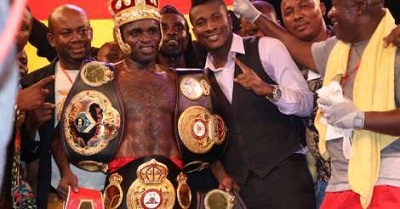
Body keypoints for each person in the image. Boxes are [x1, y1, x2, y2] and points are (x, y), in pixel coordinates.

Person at [234, 0, 400, 208]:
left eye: (337, 6)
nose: (332, 12)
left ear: (359, 7)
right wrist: (255, 16)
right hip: (337, 182)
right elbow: (296, 46)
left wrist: (360, 118)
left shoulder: (395, 46)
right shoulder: (336, 50)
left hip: (386, 179)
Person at [189, 0, 315, 208]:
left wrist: (269, 90)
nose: (210, 27)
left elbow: (306, 104)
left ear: (230, 20)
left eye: (216, 17)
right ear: (195, 31)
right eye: (202, 22)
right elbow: (205, 142)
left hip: (286, 179)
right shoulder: (201, 80)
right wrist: (221, 173)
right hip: (242, 190)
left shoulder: (266, 48)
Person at [20, 5, 106, 209]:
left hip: (109, 190)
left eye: (82, 30)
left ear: (91, 33)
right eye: (66, 33)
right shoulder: (34, 83)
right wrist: (32, 125)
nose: (77, 38)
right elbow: (26, 152)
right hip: (55, 192)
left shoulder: (113, 78)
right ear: (51, 39)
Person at [279, 0, 332, 207]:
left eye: (304, 6)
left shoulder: (351, 45)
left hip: (368, 174)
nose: (297, 15)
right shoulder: (282, 65)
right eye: (289, 12)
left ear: (324, 9)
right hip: (319, 183)